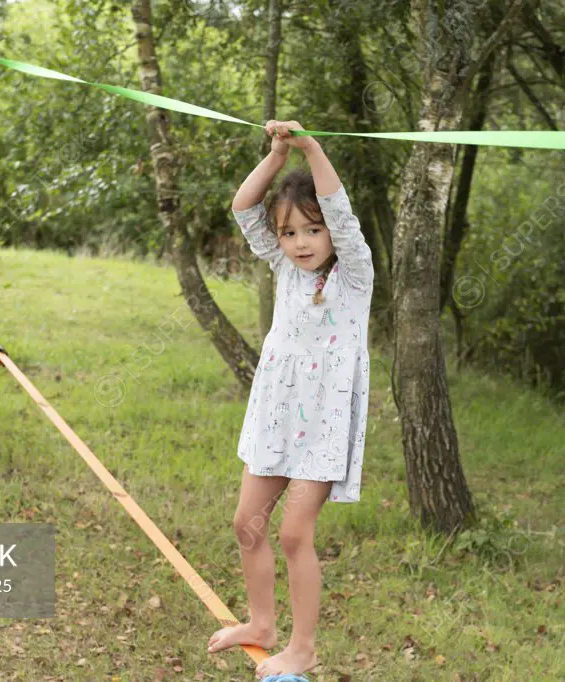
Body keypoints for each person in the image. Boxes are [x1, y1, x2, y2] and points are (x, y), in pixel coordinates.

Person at [206, 120, 374, 678]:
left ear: (330, 233)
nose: (300, 243)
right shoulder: (283, 264)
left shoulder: (354, 273)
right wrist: (277, 154)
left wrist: (312, 148)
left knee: (294, 534)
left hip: (323, 424)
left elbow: (340, 211)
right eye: (289, 233)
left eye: (312, 230)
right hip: (277, 414)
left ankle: (302, 648)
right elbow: (243, 205)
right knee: (246, 523)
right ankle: (261, 624)